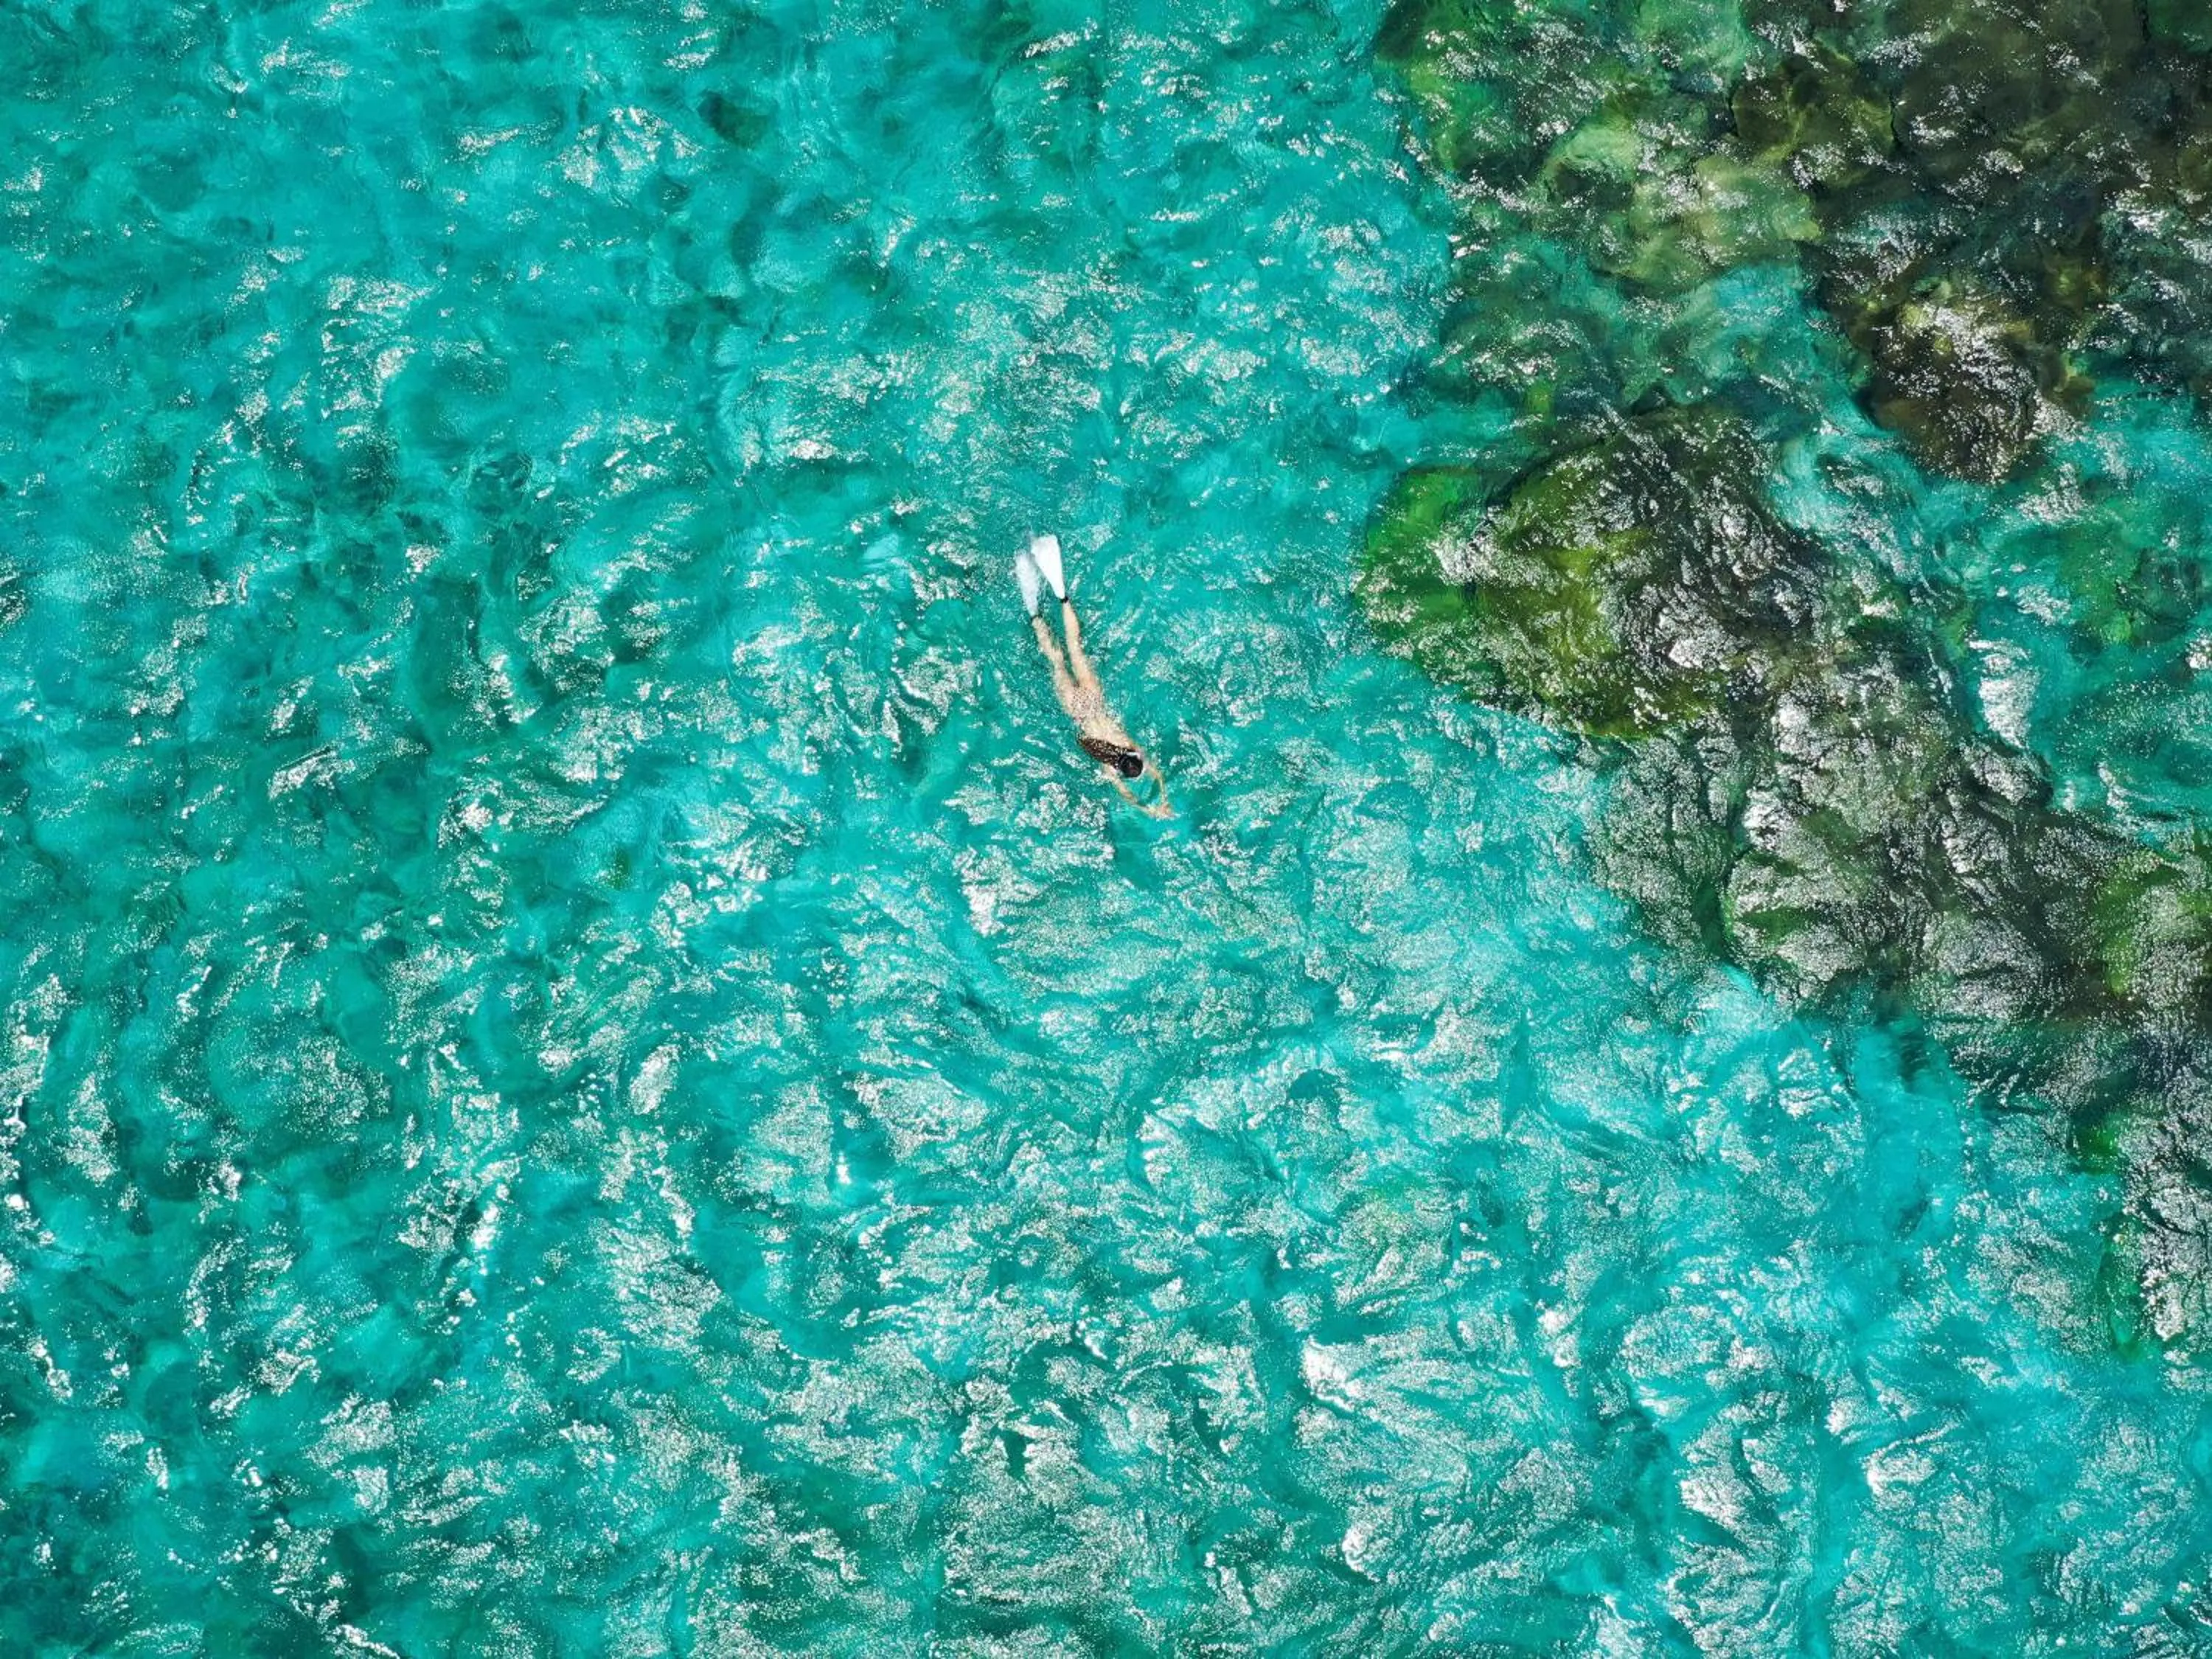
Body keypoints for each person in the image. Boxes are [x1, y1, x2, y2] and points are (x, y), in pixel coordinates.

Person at [1017, 535, 1172, 818]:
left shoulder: (1131, 746)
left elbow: (1158, 776)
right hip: (1077, 710)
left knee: (1074, 649)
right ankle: (1036, 617)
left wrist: (1162, 797)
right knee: (1057, 663)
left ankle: (1062, 599)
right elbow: (1125, 794)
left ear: (1134, 757)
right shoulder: (1107, 763)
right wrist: (1150, 810)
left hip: (1092, 698)